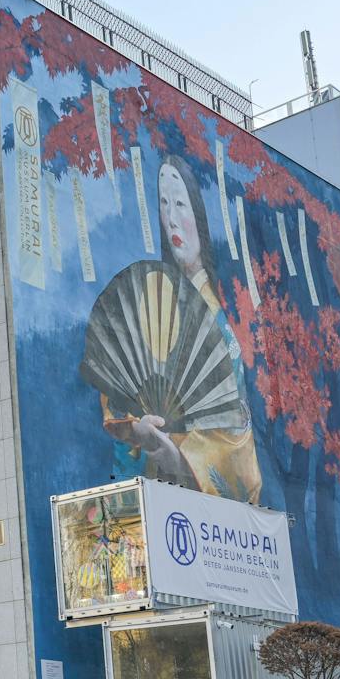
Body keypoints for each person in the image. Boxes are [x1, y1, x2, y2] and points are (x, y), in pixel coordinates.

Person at [97, 154, 263, 502]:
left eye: (180, 204)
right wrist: (137, 430)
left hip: (203, 508)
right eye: (164, 204)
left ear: (199, 215)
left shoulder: (222, 320)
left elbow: (237, 431)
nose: (171, 217)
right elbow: (122, 393)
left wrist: (183, 460)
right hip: (154, 494)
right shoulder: (151, 302)